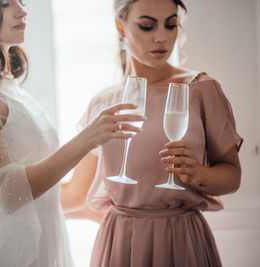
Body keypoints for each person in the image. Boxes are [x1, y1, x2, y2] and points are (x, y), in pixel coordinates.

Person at [0, 0, 146, 266]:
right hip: (4, 254)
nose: (22, 11)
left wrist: (105, 211)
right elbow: (8, 194)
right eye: (7, 3)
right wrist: (88, 138)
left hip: (42, 244)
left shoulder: (5, 84)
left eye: (22, 1)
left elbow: (40, 191)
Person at [60, 0, 243, 266]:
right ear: (120, 27)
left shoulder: (201, 89)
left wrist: (196, 174)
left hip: (181, 240)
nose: (162, 37)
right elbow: (76, 194)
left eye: (171, 25)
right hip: (119, 242)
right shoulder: (102, 102)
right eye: (147, 26)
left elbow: (233, 176)